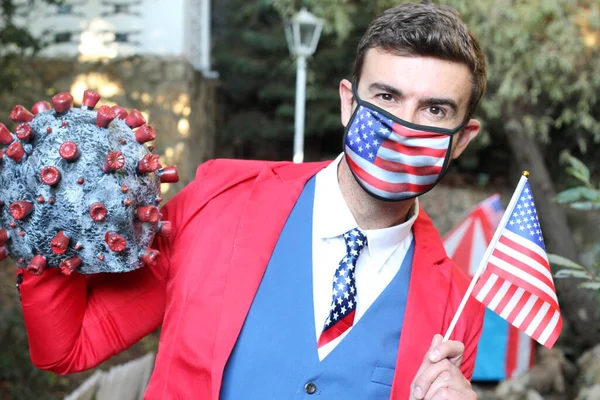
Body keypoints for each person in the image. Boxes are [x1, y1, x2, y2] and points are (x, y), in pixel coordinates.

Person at [19, 2, 487, 399]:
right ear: (349, 103)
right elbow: (70, 345)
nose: (403, 128)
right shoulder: (218, 202)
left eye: (434, 109)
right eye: (386, 96)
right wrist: (48, 221)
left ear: (462, 139)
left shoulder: (457, 310)